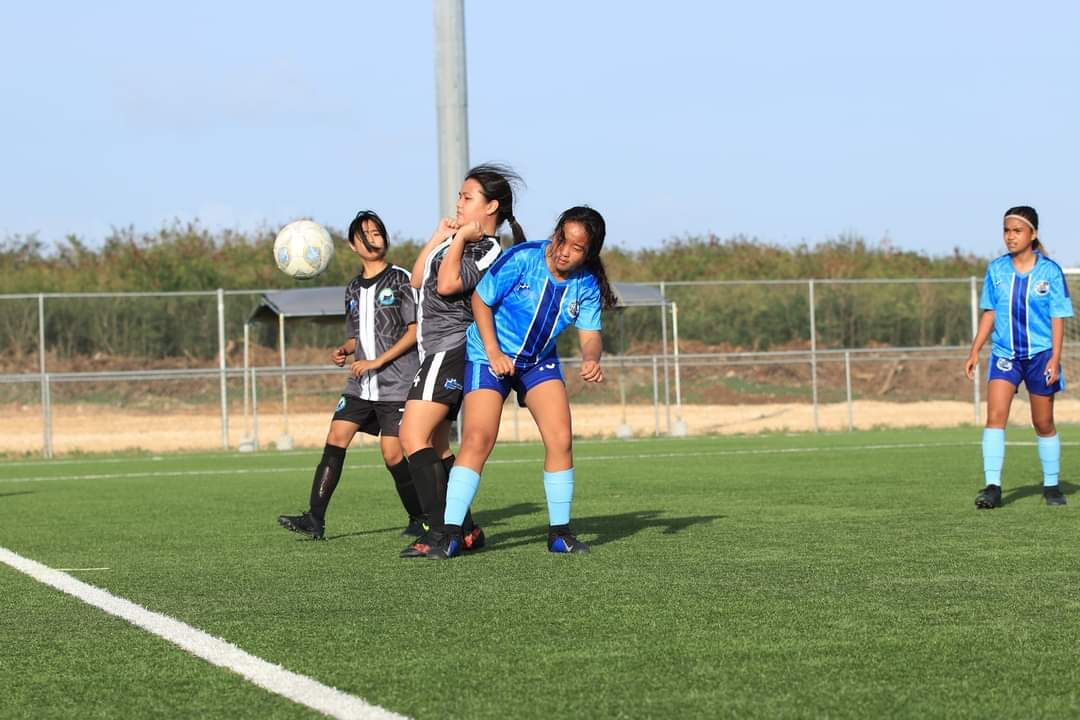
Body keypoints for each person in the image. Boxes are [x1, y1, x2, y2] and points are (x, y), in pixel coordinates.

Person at [423, 206, 618, 559]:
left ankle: (559, 532)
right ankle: (450, 533)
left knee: (561, 438)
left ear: (589, 253)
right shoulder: (523, 258)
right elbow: (481, 300)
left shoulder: (586, 284)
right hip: (488, 353)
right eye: (562, 240)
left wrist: (591, 358)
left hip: (538, 361)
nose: (564, 251)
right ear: (556, 233)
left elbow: (591, 335)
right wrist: (496, 353)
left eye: (576, 248)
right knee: (478, 438)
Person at [398, 163, 527, 557]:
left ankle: (440, 532)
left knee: (411, 436)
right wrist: (440, 238)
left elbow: (449, 284)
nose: (459, 202)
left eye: (467, 197)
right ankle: (466, 529)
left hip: (452, 350)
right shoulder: (456, 239)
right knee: (435, 444)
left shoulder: (490, 250)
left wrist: (458, 242)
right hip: (433, 350)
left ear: (491, 207)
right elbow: (417, 281)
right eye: (459, 195)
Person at [277, 211, 423, 539]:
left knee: (392, 454)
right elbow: (357, 335)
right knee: (335, 439)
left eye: (378, 232)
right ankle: (315, 519)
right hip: (360, 384)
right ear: (352, 245)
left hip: (396, 383)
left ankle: (420, 518)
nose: (374, 238)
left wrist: (376, 361)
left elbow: (414, 332)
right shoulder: (353, 288)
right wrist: (345, 349)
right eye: (366, 234)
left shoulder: (400, 279)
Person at [964, 205, 1073, 509]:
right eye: (1006, 231)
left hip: (1041, 356)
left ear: (1032, 234)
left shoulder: (1049, 271)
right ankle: (992, 487)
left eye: (1017, 231)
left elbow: (1058, 317)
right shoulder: (996, 269)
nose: (1010, 237)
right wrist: (975, 350)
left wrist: (1055, 358)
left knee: (1043, 422)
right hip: (1004, 355)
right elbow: (990, 312)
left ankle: (1051, 486)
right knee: (995, 418)